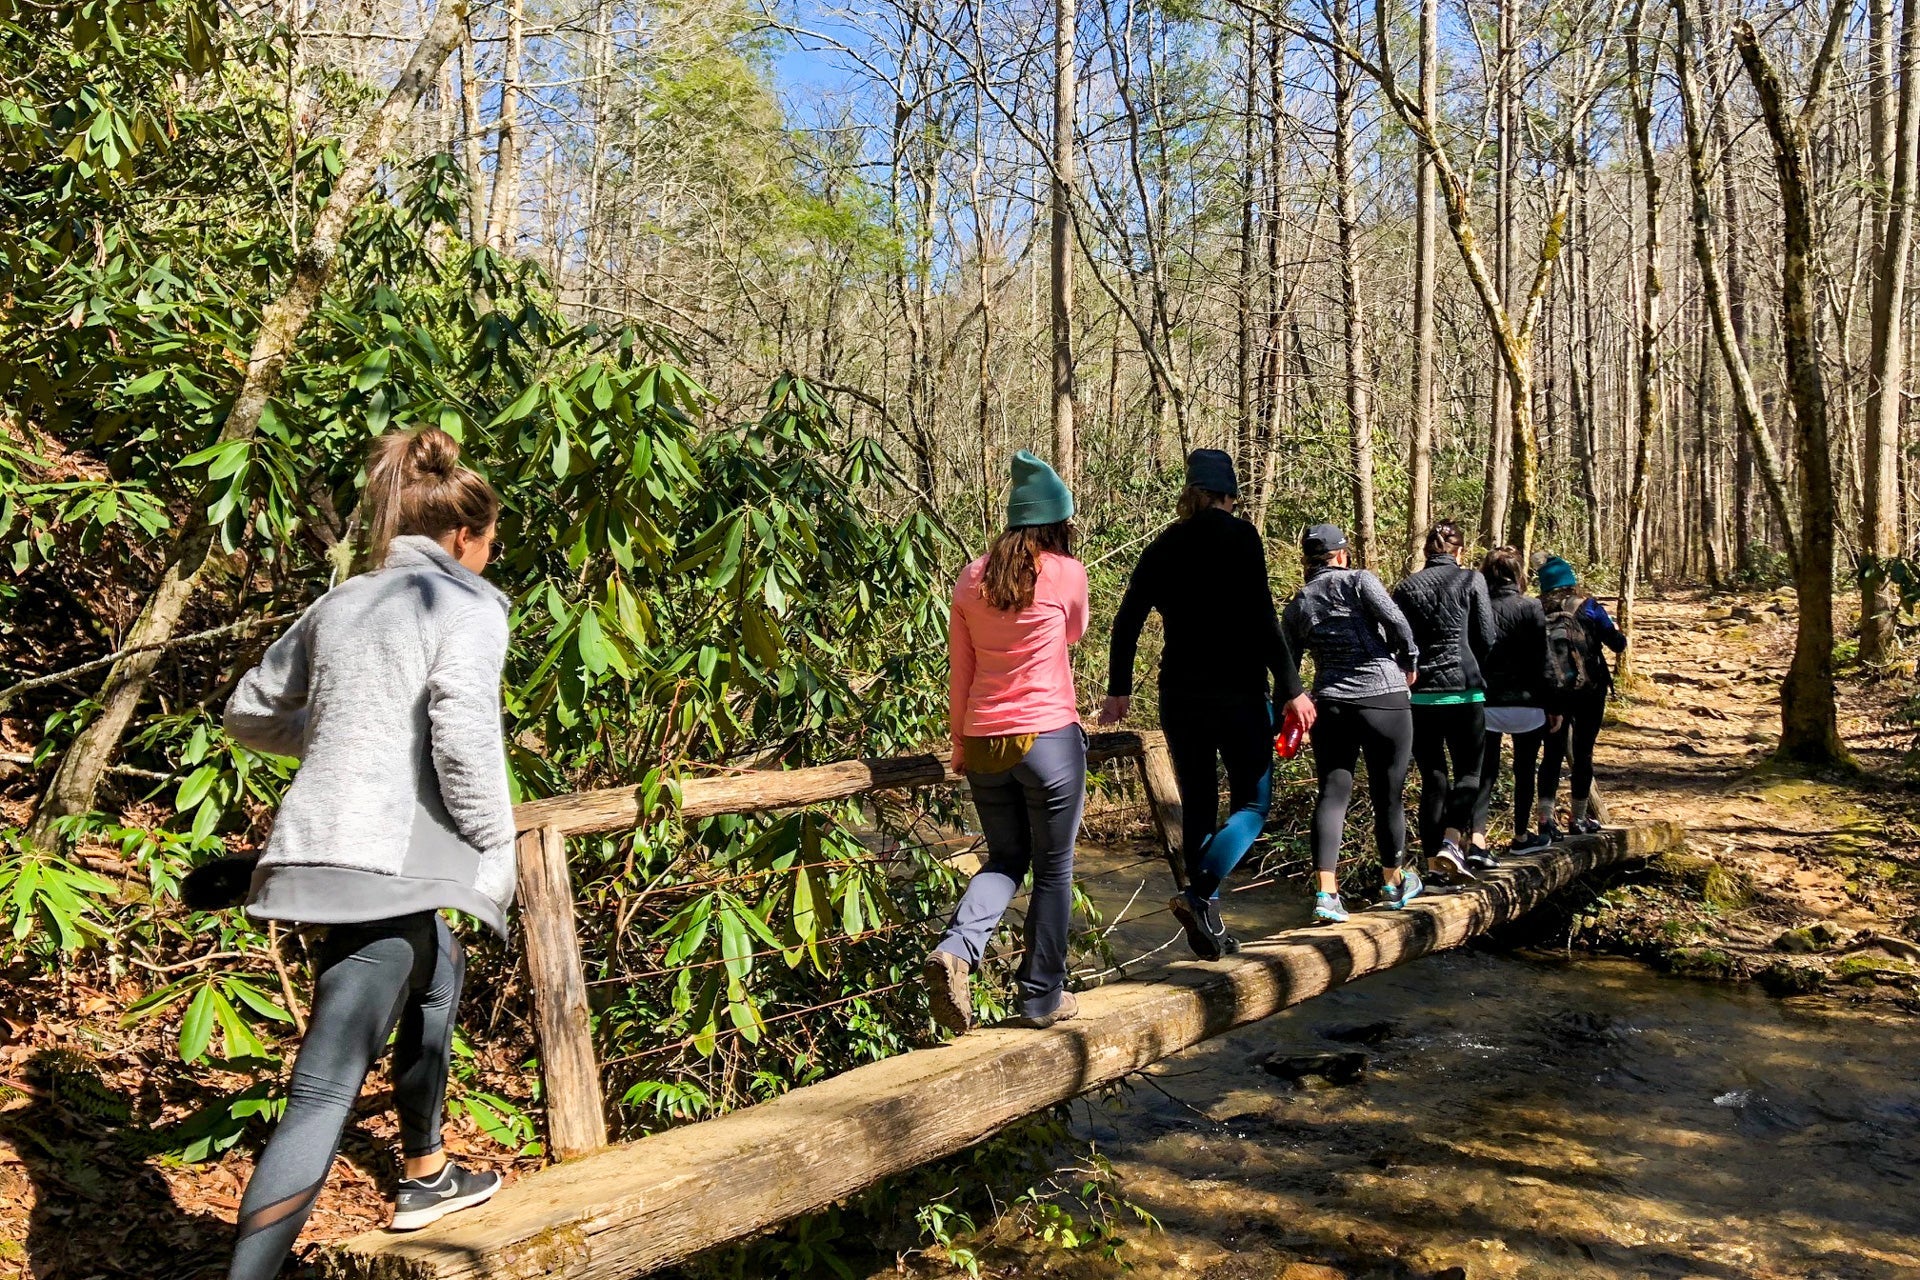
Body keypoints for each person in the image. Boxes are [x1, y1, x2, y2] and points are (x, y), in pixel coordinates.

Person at [221, 428, 514, 1280]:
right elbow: (462, 737)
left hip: (324, 849)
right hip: (378, 865)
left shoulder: (344, 602)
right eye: (491, 545)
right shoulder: (464, 605)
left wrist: (349, 731)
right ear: (465, 539)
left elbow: (249, 712)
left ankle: (424, 1173)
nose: (491, 560)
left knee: (439, 971)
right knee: (320, 1093)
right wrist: (498, 845)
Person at [1098, 449, 1314, 960]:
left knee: (1198, 803)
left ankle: (1208, 920)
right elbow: (1263, 616)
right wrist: (1292, 689)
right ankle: (1198, 896)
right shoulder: (1241, 537)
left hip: (1179, 696)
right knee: (1253, 805)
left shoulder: (1163, 546)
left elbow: (1127, 620)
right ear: (1230, 495)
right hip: (1237, 692)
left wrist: (1119, 688)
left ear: (1190, 493)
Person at [923, 450, 1089, 1035]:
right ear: (1057, 523)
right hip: (1047, 736)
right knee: (1053, 866)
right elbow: (1074, 630)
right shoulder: (1066, 572)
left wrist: (959, 742)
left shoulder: (972, 576)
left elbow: (961, 668)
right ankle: (1042, 995)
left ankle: (959, 947)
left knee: (1005, 858)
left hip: (984, 738)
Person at [1281, 523, 1421, 923]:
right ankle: (1393, 883)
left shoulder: (1299, 603)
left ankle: (1327, 893)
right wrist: (1408, 660)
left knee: (1332, 794)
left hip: (1332, 704)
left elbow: (1288, 666)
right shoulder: (1360, 581)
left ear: (1306, 561)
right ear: (1341, 555)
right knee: (1388, 793)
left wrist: (1286, 712)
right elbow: (1397, 622)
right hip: (1384, 698)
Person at [1392, 520, 1496, 881]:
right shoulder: (1471, 580)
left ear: (1426, 552)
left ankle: (1433, 865)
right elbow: (1486, 635)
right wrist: (1473, 664)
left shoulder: (1406, 587)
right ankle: (1452, 843)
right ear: (1459, 551)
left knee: (1433, 777)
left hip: (1421, 695)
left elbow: (1396, 640)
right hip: (1465, 690)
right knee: (1470, 771)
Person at [1470, 547, 1563, 858]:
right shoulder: (1531, 606)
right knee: (1524, 770)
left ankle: (1477, 839)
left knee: (1485, 771)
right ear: (1518, 574)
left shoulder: (1477, 606)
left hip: (1487, 702)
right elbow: (1543, 659)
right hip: (1528, 704)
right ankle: (1521, 836)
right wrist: (1553, 705)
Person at [1535, 556, 1626, 835]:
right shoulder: (1588, 606)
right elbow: (1618, 644)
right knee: (1584, 753)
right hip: (1589, 690)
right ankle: (1579, 818)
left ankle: (1545, 821)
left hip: (1551, 694)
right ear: (1570, 581)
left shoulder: (1536, 610)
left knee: (1551, 755)